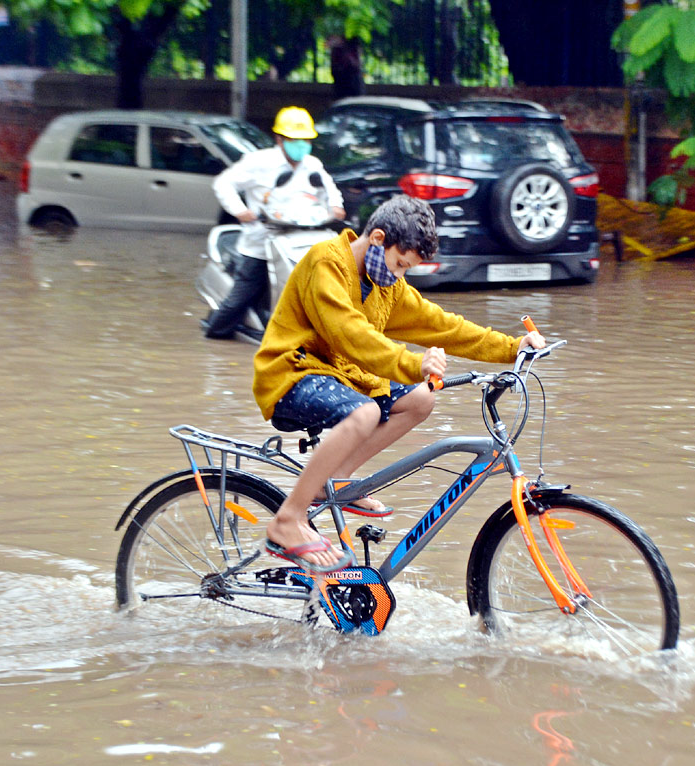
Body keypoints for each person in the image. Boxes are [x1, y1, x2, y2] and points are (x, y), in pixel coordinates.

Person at [251, 194, 546, 572]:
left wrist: (511, 346)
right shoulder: (325, 262)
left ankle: (338, 481)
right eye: (400, 264)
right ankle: (288, 519)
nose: (400, 276)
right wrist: (412, 362)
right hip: (292, 372)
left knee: (422, 399)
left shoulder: (385, 283)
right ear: (377, 238)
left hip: (342, 375)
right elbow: (349, 334)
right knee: (365, 412)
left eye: (408, 269)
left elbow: (442, 324)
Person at [204, 106, 346, 341]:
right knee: (241, 298)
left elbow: (330, 190)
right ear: (279, 139)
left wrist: (336, 207)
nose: (301, 145)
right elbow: (223, 184)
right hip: (261, 243)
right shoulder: (259, 162)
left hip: (303, 240)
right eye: (294, 139)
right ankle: (216, 331)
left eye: (305, 140)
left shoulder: (312, 165)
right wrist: (241, 211)